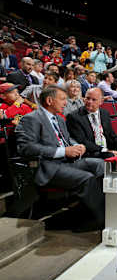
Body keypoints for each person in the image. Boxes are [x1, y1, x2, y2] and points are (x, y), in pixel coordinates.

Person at [15, 85, 105, 231]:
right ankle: (100, 219)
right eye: (63, 99)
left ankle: (91, 210)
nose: (66, 103)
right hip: (48, 167)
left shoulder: (59, 119)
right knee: (87, 178)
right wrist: (63, 152)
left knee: (100, 165)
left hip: (67, 163)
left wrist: (78, 146)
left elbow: (68, 140)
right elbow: (26, 148)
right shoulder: (30, 119)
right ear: (50, 100)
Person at [66, 87, 117, 159]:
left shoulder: (105, 113)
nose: (89, 101)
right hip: (91, 152)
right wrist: (105, 150)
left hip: (108, 149)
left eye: (93, 100)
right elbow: (82, 141)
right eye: (88, 98)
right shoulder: (74, 116)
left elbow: (112, 135)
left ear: (101, 101)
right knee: (111, 156)